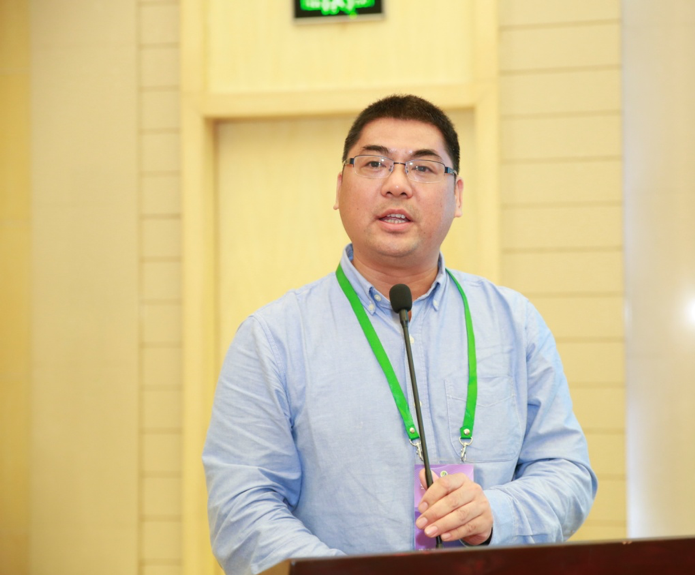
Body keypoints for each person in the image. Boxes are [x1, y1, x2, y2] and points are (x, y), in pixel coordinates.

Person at [203, 94, 598, 575]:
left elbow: (567, 471)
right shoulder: (272, 338)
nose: (396, 184)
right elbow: (243, 509)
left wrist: (499, 513)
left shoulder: (514, 322)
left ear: (458, 197)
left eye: (424, 168)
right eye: (374, 163)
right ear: (339, 188)